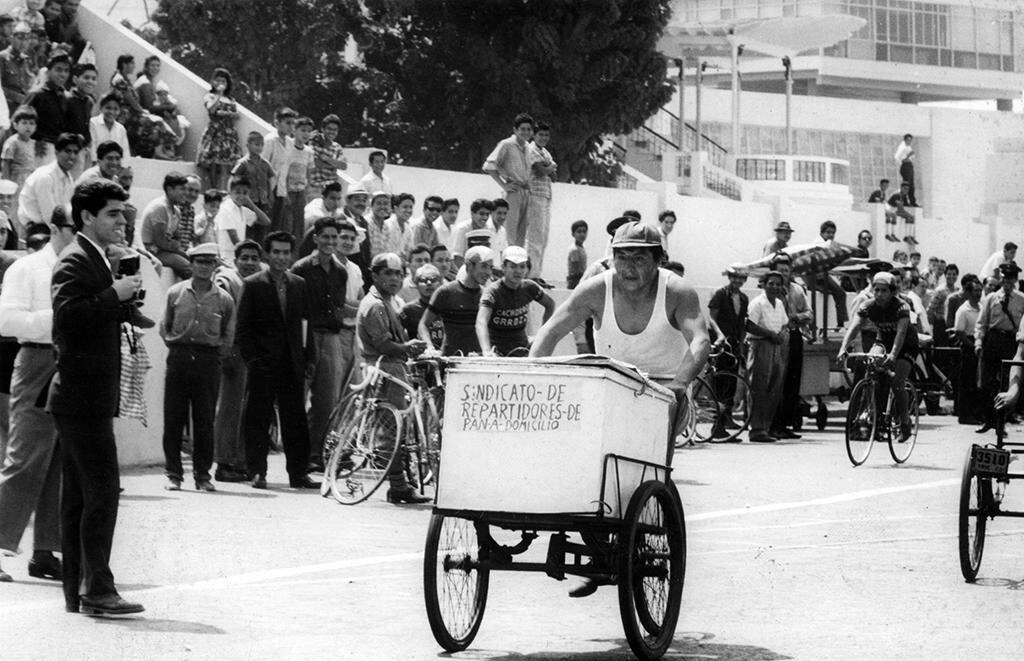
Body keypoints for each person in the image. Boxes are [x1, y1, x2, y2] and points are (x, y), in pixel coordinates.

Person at [49, 178, 144, 616]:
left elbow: (93, 313)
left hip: (83, 397)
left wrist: (123, 301)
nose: (122, 220)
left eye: (123, 213)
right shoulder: (74, 261)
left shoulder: (96, 258)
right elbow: (68, 318)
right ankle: (98, 590)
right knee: (102, 491)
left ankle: (79, 592)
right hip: (81, 397)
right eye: (113, 213)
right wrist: (113, 295)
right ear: (87, 216)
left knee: (81, 497)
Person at [530, 220, 711, 451]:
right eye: (622, 257)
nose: (628, 268)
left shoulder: (677, 291)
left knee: (648, 451)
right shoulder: (595, 290)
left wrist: (681, 382)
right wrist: (534, 375)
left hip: (664, 388)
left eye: (639, 259)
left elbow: (700, 339)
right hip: (612, 386)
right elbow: (551, 331)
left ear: (659, 260)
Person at [0, 206, 76, 584]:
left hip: (71, 363)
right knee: (24, 458)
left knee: (60, 461)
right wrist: (61, 317)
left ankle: (45, 551)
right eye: (73, 228)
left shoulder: (83, 267)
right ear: (55, 229)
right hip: (37, 360)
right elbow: (7, 321)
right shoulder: (26, 269)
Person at [236, 231, 317, 490]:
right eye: (276, 252)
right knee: (258, 417)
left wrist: (309, 357)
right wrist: (253, 360)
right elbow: (243, 329)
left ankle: (298, 473)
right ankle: (257, 472)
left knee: (295, 419)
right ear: (267, 255)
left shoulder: (299, 284)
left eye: (285, 252)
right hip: (263, 363)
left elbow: (306, 324)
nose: (281, 257)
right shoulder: (252, 284)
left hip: (292, 362)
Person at [159, 243, 235, 492]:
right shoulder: (175, 292)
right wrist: (176, 345)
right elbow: (164, 326)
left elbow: (228, 334)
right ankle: (174, 474)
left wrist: (214, 353)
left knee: (204, 420)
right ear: (191, 264)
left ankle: (203, 475)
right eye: (199, 262)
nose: (204, 267)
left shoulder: (224, 299)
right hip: (179, 357)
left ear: (215, 266)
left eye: (209, 262)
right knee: (173, 418)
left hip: (207, 360)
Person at [356, 253, 429, 503]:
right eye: (388, 273)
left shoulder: (388, 302)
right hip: (384, 369)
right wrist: (409, 347)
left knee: (397, 428)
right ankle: (398, 486)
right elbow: (385, 344)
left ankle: (400, 484)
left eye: (399, 273)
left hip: (392, 368)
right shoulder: (375, 305)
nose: (395, 278)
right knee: (392, 431)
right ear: (374, 275)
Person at [291, 217, 348, 471]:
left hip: (332, 337)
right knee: (298, 397)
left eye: (334, 237)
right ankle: (299, 457)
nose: (330, 242)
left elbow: (338, 306)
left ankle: (316, 455)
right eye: (325, 236)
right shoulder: (301, 268)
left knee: (327, 401)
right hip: (307, 335)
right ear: (315, 238)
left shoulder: (341, 271)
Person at [837, 271, 919, 442]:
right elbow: (854, 327)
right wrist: (843, 348)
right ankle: (871, 407)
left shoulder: (901, 306)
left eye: (884, 291)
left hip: (906, 345)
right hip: (883, 341)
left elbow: (901, 333)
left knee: (897, 384)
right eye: (876, 290)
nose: (879, 294)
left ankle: (905, 422)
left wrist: (894, 355)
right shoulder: (868, 305)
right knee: (870, 362)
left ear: (892, 292)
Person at [212, 239, 263, 483]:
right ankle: (224, 462)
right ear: (236, 260)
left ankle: (239, 462)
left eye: (254, 258)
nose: (250, 263)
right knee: (230, 409)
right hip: (233, 352)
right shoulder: (227, 281)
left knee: (245, 409)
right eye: (245, 258)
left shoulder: (257, 282)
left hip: (251, 353)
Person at [476, 246, 555, 356]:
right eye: (513, 266)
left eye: (522, 267)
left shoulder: (530, 287)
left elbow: (550, 305)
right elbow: (481, 321)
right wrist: (486, 350)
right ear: (503, 267)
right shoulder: (493, 291)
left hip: (522, 351)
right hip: (497, 353)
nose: (518, 271)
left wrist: (541, 336)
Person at [974, 262, 1024, 433]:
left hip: (1011, 341)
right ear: (1001, 279)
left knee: (1006, 383)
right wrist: (979, 343)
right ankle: (988, 420)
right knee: (988, 382)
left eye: (1011, 279)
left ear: (1016, 280)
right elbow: (981, 323)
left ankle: (1001, 424)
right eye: (1005, 279)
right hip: (993, 340)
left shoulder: (1021, 299)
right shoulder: (991, 298)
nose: (1008, 283)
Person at [420, 245, 493, 356]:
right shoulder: (446, 291)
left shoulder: (487, 295)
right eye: (483, 266)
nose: (488, 272)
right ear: (469, 266)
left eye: (490, 267)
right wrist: (429, 346)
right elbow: (423, 324)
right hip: (450, 359)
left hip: (477, 360)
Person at [744, 270, 791, 443]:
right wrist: (770, 334)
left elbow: (785, 323)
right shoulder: (757, 303)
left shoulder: (779, 303)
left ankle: (765, 427)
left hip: (776, 346)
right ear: (763, 284)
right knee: (758, 387)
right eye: (771, 283)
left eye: (778, 284)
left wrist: (780, 335)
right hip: (760, 345)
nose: (775, 287)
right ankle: (756, 429)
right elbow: (749, 325)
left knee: (774, 388)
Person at [771, 255, 812, 439]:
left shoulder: (797, 290)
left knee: (792, 380)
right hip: (776, 337)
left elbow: (809, 313)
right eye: (779, 270)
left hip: (794, 334)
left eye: (786, 271)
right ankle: (773, 424)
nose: (783, 274)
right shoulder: (770, 290)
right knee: (777, 379)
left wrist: (797, 317)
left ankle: (785, 424)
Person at [483, 113, 533, 250]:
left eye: (529, 129)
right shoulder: (507, 144)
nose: (526, 132)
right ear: (515, 130)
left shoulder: (528, 147)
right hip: (513, 192)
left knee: (522, 233)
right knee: (509, 230)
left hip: (526, 192)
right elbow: (489, 166)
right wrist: (504, 185)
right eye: (522, 129)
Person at [17, 132, 80, 228]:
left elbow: (67, 211)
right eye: (68, 151)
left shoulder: (68, 178)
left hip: (55, 228)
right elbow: (50, 217)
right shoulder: (45, 177)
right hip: (36, 229)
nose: (72, 156)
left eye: (75, 152)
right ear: (57, 152)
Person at [197, 67, 243, 190]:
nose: (221, 83)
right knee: (214, 162)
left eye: (223, 81)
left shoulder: (231, 99)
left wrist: (227, 114)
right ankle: (213, 188)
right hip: (216, 132)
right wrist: (218, 95)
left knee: (226, 164)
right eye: (218, 80)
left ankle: (224, 189)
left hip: (228, 134)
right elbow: (211, 109)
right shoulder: (210, 96)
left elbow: (237, 115)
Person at [139, 171, 191, 279]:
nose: (186, 193)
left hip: (165, 250)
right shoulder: (160, 207)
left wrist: (173, 244)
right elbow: (160, 241)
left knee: (195, 261)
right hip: (152, 252)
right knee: (189, 268)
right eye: (182, 189)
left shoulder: (176, 211)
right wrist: (175, 245)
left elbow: (177, 238)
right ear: (169, 189)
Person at [525, 121, 555, 278]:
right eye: (540, 134)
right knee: (535, 237)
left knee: (543, 237)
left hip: (546, 196)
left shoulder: (545, 152)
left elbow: (553, 175)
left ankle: (537, 273)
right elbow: (541, 171)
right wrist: (549, 167)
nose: (544, 138)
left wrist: (548, 167)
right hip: (535, 195)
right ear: (534, 135)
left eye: (546, 135)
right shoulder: (531, 149)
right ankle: (531, 275)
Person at [214, 175, 271, 258]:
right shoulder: (225, 209)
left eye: (245, 193)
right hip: (226, 256)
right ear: (230, 191)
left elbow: (266, 221)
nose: (241, 196)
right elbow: (235, 240)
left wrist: (251, 205)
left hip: (238, 254)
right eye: (237, 192)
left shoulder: (241, 209)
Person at [952, 276, 983, 425]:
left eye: (980, 291)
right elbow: (960, 332)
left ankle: (976, 413)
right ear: (969, 293)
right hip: (968, 346)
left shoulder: (982, 307)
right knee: (967, 382)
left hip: (979, 344)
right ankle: (964, 414)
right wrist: (972, 346)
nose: (978, 294)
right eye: (976, 291)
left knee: (978, 382)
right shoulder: (963, 310)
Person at [807, 220, 848, 328]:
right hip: (816, 276)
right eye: (828, 232)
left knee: (835, 293)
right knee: (840, 293)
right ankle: (840, 323)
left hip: (820, 275)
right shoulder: (819, 244)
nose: (831, 235)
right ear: (822, 233)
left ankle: (835, 323)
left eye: (833, 233)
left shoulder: (827, 243)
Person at [231, 131, 274, 233]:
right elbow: (233, 179)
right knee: (249, 228)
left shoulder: (265, 163)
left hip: (262, 200)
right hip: (248, 200)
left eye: (261, 145)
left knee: (262, 227)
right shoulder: (243, 163)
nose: (259, 148)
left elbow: (268, 180)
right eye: (256, 145)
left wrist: (270, 195)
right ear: (248, 145)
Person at [262, 107, 296, 233]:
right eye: (287, 123)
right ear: (277, 123)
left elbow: (286, 168)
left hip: (280, 190)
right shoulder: (269, 140)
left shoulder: (290, 143)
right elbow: (263, 167)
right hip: (267, 189)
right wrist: (268, 192)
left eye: (293, 123)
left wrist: (285, 191)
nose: (291, 127)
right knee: (266, 224)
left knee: (276, 226)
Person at [400, 263, 444, 351]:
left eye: (433, 280)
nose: (428, 283)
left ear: (440, 283)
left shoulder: (448, 307)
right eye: (423, 280)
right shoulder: (408, 310)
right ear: (416, 285)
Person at [286, 116, 315, 238]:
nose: (306, 134)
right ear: (294, 130)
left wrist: (308, 191)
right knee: (287, 222)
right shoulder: (288, 146)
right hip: (287, 191)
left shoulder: (309, 151)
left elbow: (309, 172)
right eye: (303, 130)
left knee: (299, 224)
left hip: (301, 192)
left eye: (309, 131)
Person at [307, 114, 346, 201]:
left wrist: (326, 159)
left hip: (332, 190)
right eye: (329, 129)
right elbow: (315, 162)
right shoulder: (314, 141)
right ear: (322, 129)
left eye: (335, 130)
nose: (332, 132)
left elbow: (343, 165)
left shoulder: (337, 147)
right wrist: (334, 164)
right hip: (315, 188)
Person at [0, 23, 36, 113]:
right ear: (12, 38)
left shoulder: (27, 60)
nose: (23, 43)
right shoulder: (3, 58)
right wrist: (17, 97)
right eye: (20, 38)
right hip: (6, 108)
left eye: (27, 39)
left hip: (23, 110)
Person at [89, 93, 130, 165]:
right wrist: (95, 165)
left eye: (115, 109)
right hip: (96, 166)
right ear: (101, 108)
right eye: (108, 108)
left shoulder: (121, 129)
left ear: (119, 111)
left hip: (114, 168)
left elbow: (125, 153)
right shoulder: (93, 123)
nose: (111, 112)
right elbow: (92, 146)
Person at [894, 133, 917, 206]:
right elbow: (897, 157)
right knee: (906, 185)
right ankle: (904, 201)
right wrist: (904, 161)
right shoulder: (902, 147)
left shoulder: (908, 147)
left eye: (910, 140)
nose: (909, 141)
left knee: (911, 185)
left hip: (909, 166)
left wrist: (910, 157)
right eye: (908, 140)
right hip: (905, 166)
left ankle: (912, 201)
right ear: (905, 140)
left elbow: (913, 156)